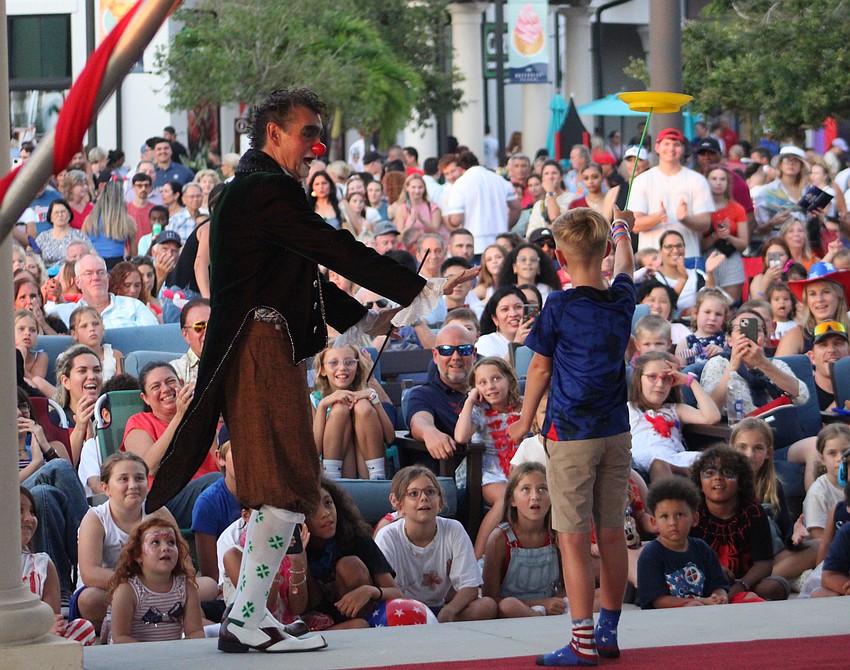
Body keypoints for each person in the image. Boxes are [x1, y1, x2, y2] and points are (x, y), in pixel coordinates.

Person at [145, 88, 476, 654]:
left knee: (286, 482)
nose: (316, 145)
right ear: (273, 133)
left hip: (264, 350)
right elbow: (331, 247)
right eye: (307, 133)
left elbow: (305, 278)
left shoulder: (250, 193)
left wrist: (375, 318)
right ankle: (247, 618)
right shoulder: (266, 189)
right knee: (283, 483)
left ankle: (249, 617)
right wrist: (415, 286)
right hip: (259, 351)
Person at [507, 205, 636, 666]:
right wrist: (622, 229)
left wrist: (523, 420)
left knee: (574, 538)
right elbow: (626, 266)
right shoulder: (623, 298)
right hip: (616, 433)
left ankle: (582, 643)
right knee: (612, 534)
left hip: (572, 435)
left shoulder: (559, 305)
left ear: (558, 256)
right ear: (603, 250)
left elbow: (539, 366)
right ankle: (609, 630)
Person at [374, 467, 497, 622]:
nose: (424, 498)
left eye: (430, 492)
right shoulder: (388, 536)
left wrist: (450, 610)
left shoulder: (454, 529)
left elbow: (470, 586)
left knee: (487, 606)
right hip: (403, 609)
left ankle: (437, 624)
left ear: (440, 501)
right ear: (397, 503)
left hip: (443, 608)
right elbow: (387, 590)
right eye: (413, 494)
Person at [75, 453, 178, 633]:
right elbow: (90, 573)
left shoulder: (158, 511)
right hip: (111, 589)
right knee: (89, 599)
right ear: (106, 488)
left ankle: (149, 621)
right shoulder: (95, 519)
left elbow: (182, 557)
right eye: (123, 479)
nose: (133, 485)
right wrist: (140, 586)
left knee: (205, 586)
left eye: (139, 478)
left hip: (157, 587)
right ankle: (133, 625)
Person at [123, 362, 221, 529]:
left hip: (214, 494)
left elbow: (226, 467)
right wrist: (179, 417)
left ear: (181, 384)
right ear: (145, 398)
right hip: (166, 500)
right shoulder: (139, 422)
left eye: (170, 381)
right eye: (155, 386)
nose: (166, 389)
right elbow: (148, 467)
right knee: (216, 483)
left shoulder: (206, 419)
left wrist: (206, 422)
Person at [690, 446, 786, 601]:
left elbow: (764, 563)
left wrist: (741, 585)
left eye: (727, 473)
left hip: (743, 580)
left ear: (740, 481)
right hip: (702, 578)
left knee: (775, 586)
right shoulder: (692, 513)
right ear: (699, 482)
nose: (718, 477)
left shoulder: (753, 512)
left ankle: (734, 597)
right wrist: (714, 570)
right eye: (709, 473)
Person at [731, 418, 816, 587]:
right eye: (742, 447)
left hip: (770, 558)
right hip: (740, 559)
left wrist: (795, 537)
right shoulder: (724, 485)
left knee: (821, 544)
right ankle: (761, 582)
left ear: (768, 453)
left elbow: (785, 534)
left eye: (758, 448)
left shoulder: (773, 486)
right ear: (731, 448)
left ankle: (764, 581)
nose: (749, 454)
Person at [454, 357, 523, 558]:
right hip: (489, 472)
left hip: (523, 469)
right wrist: (469, 401)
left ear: (509, 380)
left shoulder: (524, 406)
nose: (490, 386)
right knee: (507, 497)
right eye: (482, 383)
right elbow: (460, 436)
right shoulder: (480, 412)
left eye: (496, 379)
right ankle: (476, 558)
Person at [481, 462, 565, 618]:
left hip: (553, 604)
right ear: (512, 499)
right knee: (508, 606)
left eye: (543, 489)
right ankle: (538, 618)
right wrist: (541, 604)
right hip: (515, 608)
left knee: (601, 595)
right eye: (526, 489)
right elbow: (490, 598)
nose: (535, 496)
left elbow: (569, 583)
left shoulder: (557, 534)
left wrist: (557, 602)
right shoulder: (499, 539)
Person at [106, 517, 204, 643]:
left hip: (173, 657)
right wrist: (152, 656)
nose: (165, 548)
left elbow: (195, 631)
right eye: (155, 542)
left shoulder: (186, 588)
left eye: (171, 542)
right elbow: (120, 637)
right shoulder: (127, 591)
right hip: (136, 658)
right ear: (137, 555)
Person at [20, 487, 97, 646]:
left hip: (39, 641)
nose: (29, 518)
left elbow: (51, 620)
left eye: (32, 511)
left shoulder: (43, 565)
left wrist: (45, 630)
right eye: (19, 511)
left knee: (83, 628)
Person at [637, 477, 729, 609]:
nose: (672, 522)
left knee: (749, 597)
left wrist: (719, 597)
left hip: (707, 613)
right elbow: (658, 601)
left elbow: (718, 586)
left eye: (679, 514)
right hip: (668, 620)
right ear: (654, 522)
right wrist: (699, 603)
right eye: (664, 516)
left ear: (695, 518)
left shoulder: (702, 548)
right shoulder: (650, 555)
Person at [630, 128, 714, 269]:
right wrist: (657, 217)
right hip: (652, 260)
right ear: (657, 147)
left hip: (688, 258)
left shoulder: (697, 180)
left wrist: (685, 219)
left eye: (676, 144)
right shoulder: (642, 180)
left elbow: (705, 223)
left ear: (682, 149)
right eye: (666, 144)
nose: (671, 149)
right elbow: (635, 225)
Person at [628, 352, 720, 481]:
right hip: (643, 458)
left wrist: (690, 382)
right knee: (659, 463)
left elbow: (712, 417)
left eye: (666, 378)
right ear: (639, 380)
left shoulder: (674, 409)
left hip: (674, 457)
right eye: (652, 377)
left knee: (713, 460)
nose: (660, 384)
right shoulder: (628, 409)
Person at [310, 344, 393, 480]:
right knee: (339, 409)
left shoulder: (366, 395)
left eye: (349, 362)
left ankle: (378, 478)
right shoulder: (316, 400)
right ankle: (333, 479)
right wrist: (324, 406)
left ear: (358, 367)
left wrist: (373, 397)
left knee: (362, 406)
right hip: (334, 467)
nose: (342, 368)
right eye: (333, 363)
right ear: (323, 369)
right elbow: (315, 451)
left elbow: (390, 438)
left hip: (369, 467)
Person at [405, 323, 476, 460]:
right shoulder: (423, 394)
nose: (455, 357)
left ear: (474, 354)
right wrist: (429, 432)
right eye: (446, 350)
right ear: (435, 355)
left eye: (464, 349)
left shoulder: (490, 391)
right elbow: (419, 420)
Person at [52, 253, 158, 329]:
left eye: (100, 272)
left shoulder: (133, 306)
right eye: (89, 273)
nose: (96, 277)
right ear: (78, 282)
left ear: (107, 277)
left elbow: (152, 338)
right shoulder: (65, 312)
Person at [191, 427, 240, 586]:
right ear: (220, 457)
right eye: (238, 450)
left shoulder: (272, 494)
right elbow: (211, 576)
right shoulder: (208, 503)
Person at [445, 151, 520, 254]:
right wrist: (506, 225)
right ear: (478, 162)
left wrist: (450, 220)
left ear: (460, 169)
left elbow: (456, 219)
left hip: (475, 243)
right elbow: (516, 208)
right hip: (501, 242)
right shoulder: (500, 180)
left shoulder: (460, 184)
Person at [777, 262, 850, 356]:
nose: (819, 299)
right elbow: (776, 369)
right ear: (806, 300)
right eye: (812, 294)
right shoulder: (796, 336)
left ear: (839, 295)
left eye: (826, 292)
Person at [701, 166, 749, 301]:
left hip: (730, 258)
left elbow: (744, 244)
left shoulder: (737, 208)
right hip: (706, 257)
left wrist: (728, 236)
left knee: (730, 304)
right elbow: (699, 244)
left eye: (722, 179)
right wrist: (715, 235)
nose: (718, 183)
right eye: (714, 179)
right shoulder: (701, 207)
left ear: (728, 183)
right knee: (707, 300)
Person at [804, 424, 850, 538]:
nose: (840, 458)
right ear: (822, 458)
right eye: (832, 453)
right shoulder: (818, 493)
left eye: (845, 451)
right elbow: (819, 538)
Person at [477, 285, 534, 361]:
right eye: (505, 309)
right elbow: (496, 372)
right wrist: (516, 345)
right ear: (495, 319)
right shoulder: (485, 342)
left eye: (518, 307)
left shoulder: (536, 341)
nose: (513, 314)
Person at [69, 305, 123, 383]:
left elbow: (121, 388)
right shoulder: (67, 359)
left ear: (103, 329)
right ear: (74, 334)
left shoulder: (115, 356)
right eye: (84, 326)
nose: (92, 329)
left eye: (96, 324)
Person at [675, 288, 729, 365]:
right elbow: (680, 371)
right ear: (695, 313)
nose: (712, 318)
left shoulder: (728, 340)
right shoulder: (685, 343)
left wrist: (723, 354)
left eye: (718, 314)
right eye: (707, 312)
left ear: (724, 318)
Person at [35, 199, 91, 268]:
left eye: (63, 212)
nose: (60, 215)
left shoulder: (79, 235)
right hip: (47, 275)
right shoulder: (43, 237)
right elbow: (35, 258)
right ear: (50, 217)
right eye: (56, 212)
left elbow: (91, 253)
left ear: (69, 215)